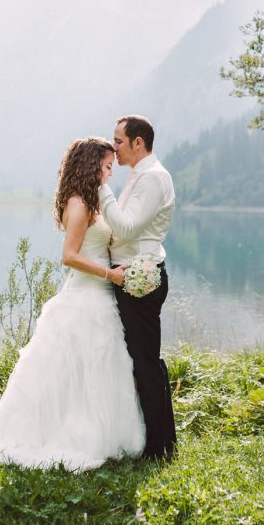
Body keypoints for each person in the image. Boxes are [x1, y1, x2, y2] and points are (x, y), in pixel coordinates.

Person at [0, 137, 144, 472]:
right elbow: (69, 256)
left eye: (112, 166)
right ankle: (69, 435)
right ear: (91, 165)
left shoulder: (94, 201)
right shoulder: (78, 203)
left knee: (98, 367)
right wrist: (110, 275)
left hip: (101, 296)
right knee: (76, 367)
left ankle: (99, 433)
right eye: (107, 166)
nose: (110, 172)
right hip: (85, 296)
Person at [100, 115, 177, 461]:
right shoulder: (140, 175)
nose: (113, 147)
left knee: (146, 363)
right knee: (142, 361)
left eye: (118, 141)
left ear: (138, 142)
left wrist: (101, 188)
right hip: (129, 275)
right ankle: (159, 440)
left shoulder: (153, 178)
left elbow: (128, 228)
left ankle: (159, 448)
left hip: (140, 280)